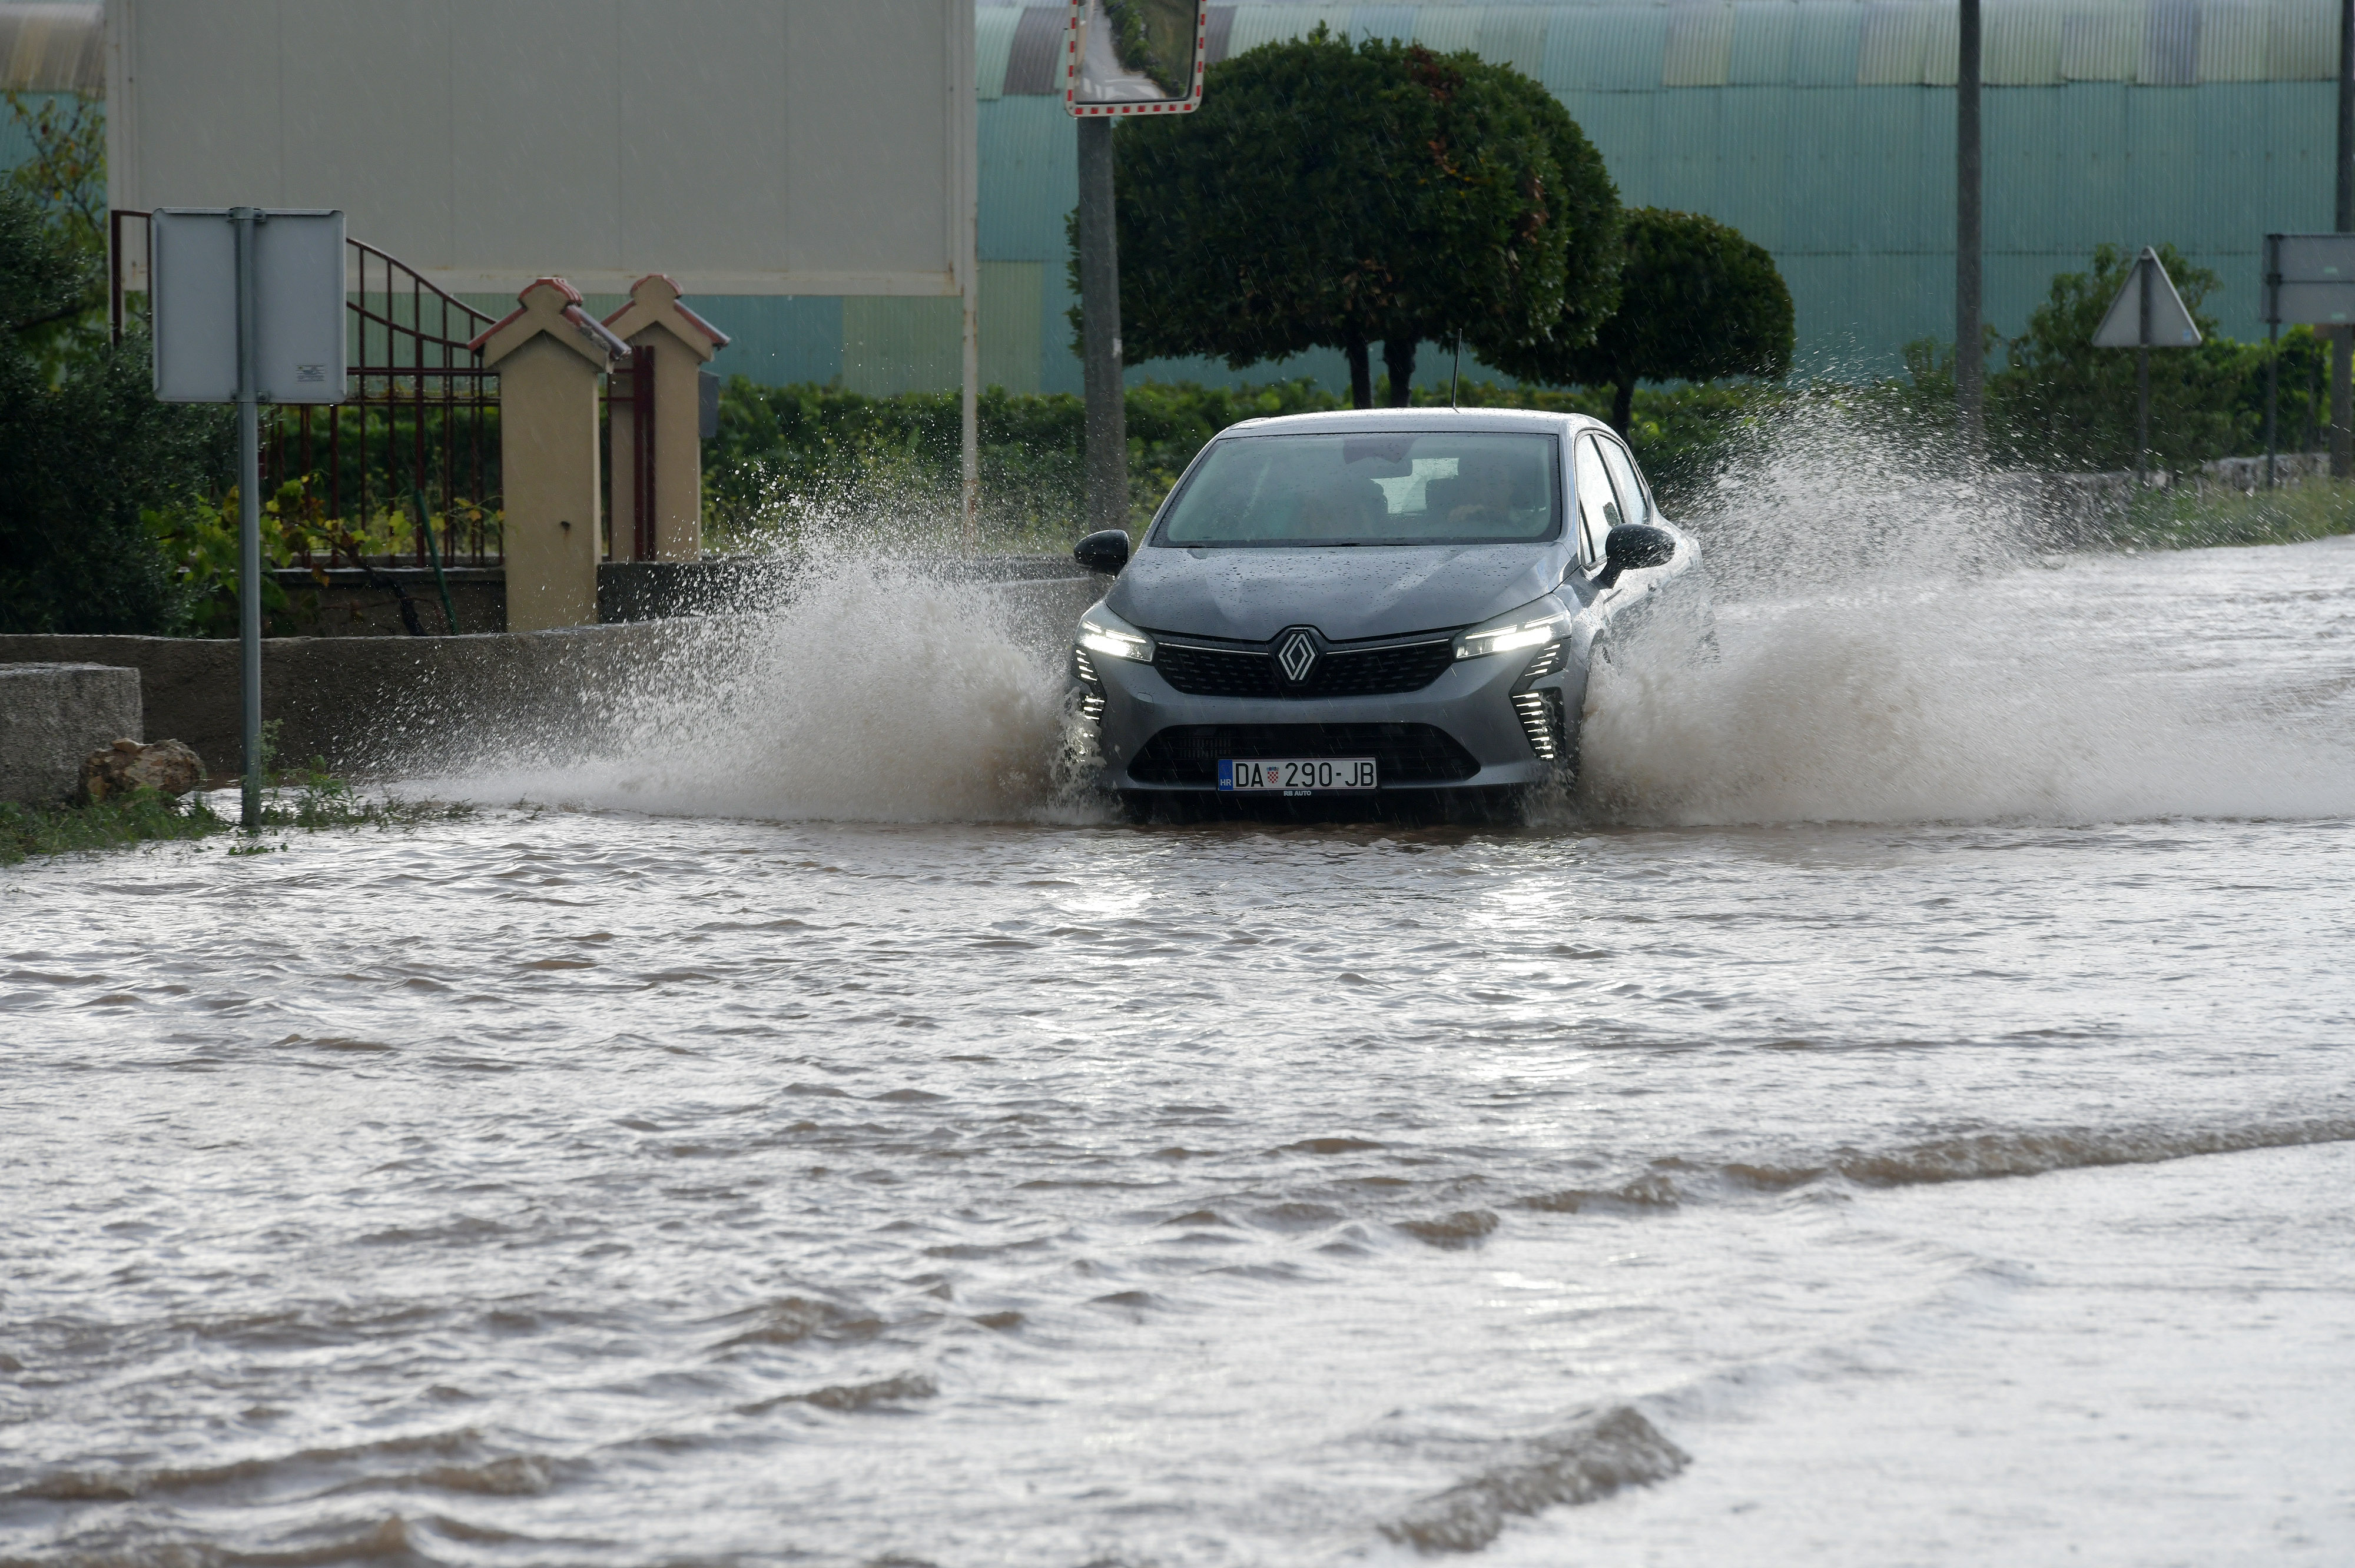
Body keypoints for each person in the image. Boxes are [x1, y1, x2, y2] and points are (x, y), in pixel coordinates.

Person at [1445, 450, 1521, 533]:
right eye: (1474, 482)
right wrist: (1454, 526)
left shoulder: (1534, 527)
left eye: (1493, 481)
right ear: (1462, 490)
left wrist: (1505, 521)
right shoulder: (1440, 529)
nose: (1484, 491)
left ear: (1511, 486)